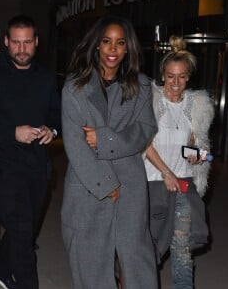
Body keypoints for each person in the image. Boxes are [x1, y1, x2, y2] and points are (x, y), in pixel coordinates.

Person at [0, 15, 61, 289]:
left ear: (36, 42)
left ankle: (3, 271)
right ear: (6, 42)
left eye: (27, 42)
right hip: (3, 168)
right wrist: (12, 132)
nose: (21, 49)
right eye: (15, 43)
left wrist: (52, 130)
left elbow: (56, 114)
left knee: (25, 231)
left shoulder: (46, 78)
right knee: (21, 231)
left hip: (38, 168)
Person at [61, 15, 158, 289]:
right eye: (106, 42)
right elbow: (75, 143)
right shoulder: (75, 87)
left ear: (128, 48)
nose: (112, 49)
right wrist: (105, 183)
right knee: (90, 263)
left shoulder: (140, 86)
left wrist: (103, 139)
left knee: (136, 261)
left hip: (130, 185)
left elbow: (144, 129)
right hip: (87, 185)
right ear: (96, 46)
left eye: (120, 43)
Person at [144, 35, 214, 289]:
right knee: (150, 247)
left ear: (188, 77)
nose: (176, 82)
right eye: (171, 76)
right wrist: (165, 172)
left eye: (182, 76)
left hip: (183, 184)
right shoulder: (149, 102)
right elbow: (143, 143)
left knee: (182, 249)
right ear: (163, 74)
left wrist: (200, 153)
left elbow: (194, 152)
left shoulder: (196, 108)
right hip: (152, 183)